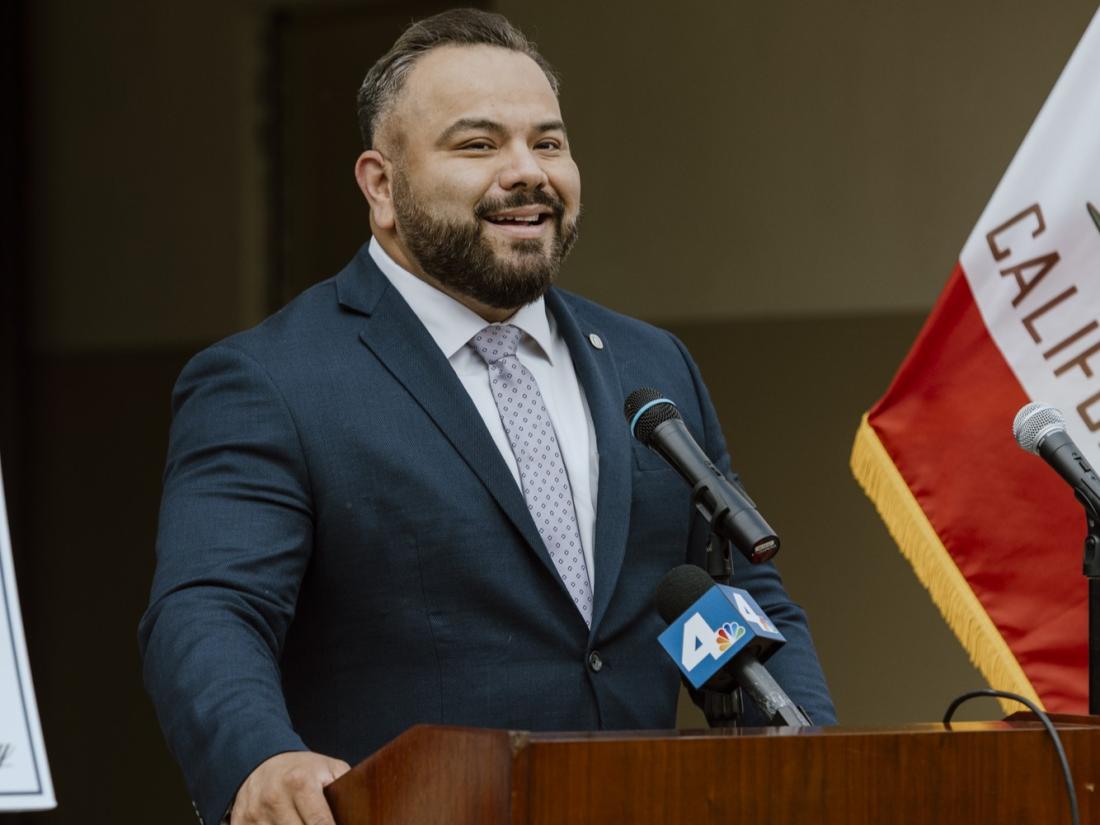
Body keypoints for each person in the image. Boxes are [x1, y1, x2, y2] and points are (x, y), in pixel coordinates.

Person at [139, 9, 835, 825]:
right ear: (381, 185)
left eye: (547, 142)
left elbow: (729, 596)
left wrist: (818, 762)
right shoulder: (271, 381)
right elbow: (210, 610)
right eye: (478, 146)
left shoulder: (650, 366)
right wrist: (260, 755)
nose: (527, 172)